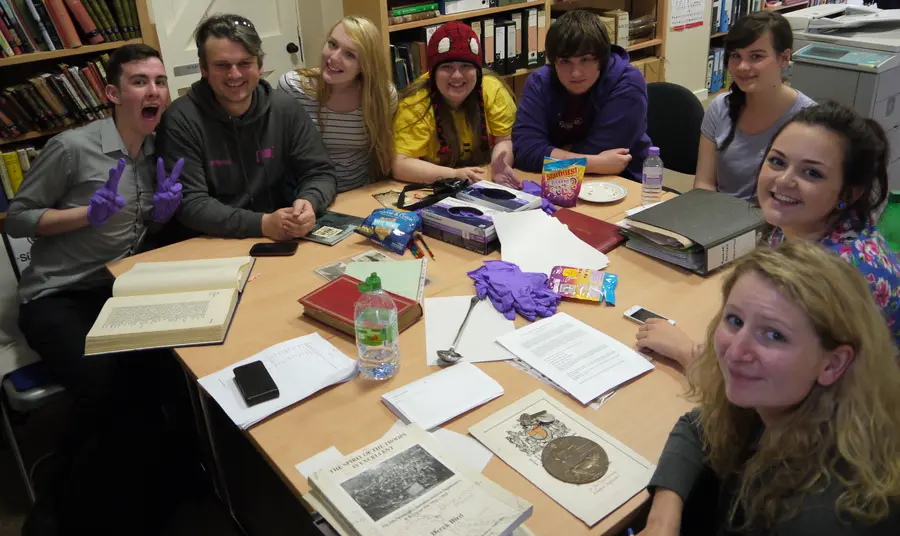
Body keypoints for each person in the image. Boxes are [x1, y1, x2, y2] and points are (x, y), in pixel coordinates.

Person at [6, 44, 189, 534]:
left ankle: (149, 488)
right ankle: (57, 500)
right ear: (111, 92)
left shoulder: (156, 151)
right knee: (104, 386)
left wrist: (164, 215)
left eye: (159, 81)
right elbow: (18, 219)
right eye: (138, 81)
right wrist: (87, 214)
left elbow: (138, 229)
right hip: (57, 296)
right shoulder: (72, 147)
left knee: (163, 372)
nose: (153, 91)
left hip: (117, 289)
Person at [639, 241, 900, 535]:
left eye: (774, 335)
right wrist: (663, 518)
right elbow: (701, 426)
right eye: (735, 320)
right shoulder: (782, 403)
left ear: (833, 364)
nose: (736, 352)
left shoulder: (823, 515)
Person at [636, 101, 900, 366]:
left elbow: (779, 392)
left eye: (812, 173)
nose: (784, 180)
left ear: (849, 192)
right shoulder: (798, 228)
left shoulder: (843, 277)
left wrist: (687, 353)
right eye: (777, 161)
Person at [157, 14, 337, 243]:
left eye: (244, 63)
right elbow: (190, 203)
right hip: (209, 242)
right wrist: (262, 224)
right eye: (222, 65)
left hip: (278, 236)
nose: (234, 74)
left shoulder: (285, 108)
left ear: (260, 66)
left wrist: (309, 203)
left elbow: (320, 172)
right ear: (203, 69)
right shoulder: (180, 119)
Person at [512, 9, 651, 182]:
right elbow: (525, 151)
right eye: (565, 61)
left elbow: (609, 157)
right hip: (556, 181)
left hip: (623, 180)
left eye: (585, 60)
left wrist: (551, 151)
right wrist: (596, 162)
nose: (575, 73)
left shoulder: (628, 82)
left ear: (602, 58)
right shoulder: (539, 82)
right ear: (553, 61)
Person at [694, 11, 815, 201]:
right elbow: (704, 184)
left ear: (784, 58)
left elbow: (807, 201)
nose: (742, 66)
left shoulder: (810, 120)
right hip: (719, 220)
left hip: (778, 224)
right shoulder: (720, 107)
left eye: (756, 56)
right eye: (735, 55)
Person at [392, 21, 519, 187]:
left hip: (480, 180)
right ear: (433, 73)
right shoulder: (415, 103)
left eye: (466, 66)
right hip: (432, 185)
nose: (457, 76)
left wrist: (498, 166)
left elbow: (504, 140)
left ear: (478, 72)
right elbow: (399, 165)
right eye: (447, 67)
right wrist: (454, 175)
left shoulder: (492, 90)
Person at [278, 16, 397, 193]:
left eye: (350, 54)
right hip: (306, 196)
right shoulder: (293, 87)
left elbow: (383, 153)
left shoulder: (382, 95)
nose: (333, 58)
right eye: (332, 44)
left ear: (366, 65)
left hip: (361, 191)